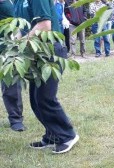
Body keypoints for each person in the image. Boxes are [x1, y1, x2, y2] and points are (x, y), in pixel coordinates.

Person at [14, 0, 79, 153]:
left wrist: (21, 44)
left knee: (45, 98)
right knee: (36, 99)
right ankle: (52, 136)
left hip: (50, 50)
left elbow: (44, 26)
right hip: (35, 53)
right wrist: (14, 45)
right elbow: (21, 29)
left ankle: (67, 135)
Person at [0, 0, 24, 132]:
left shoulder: (5, 5)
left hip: (6, 52)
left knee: (10, 86)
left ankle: (16, 119)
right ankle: (15, 118)